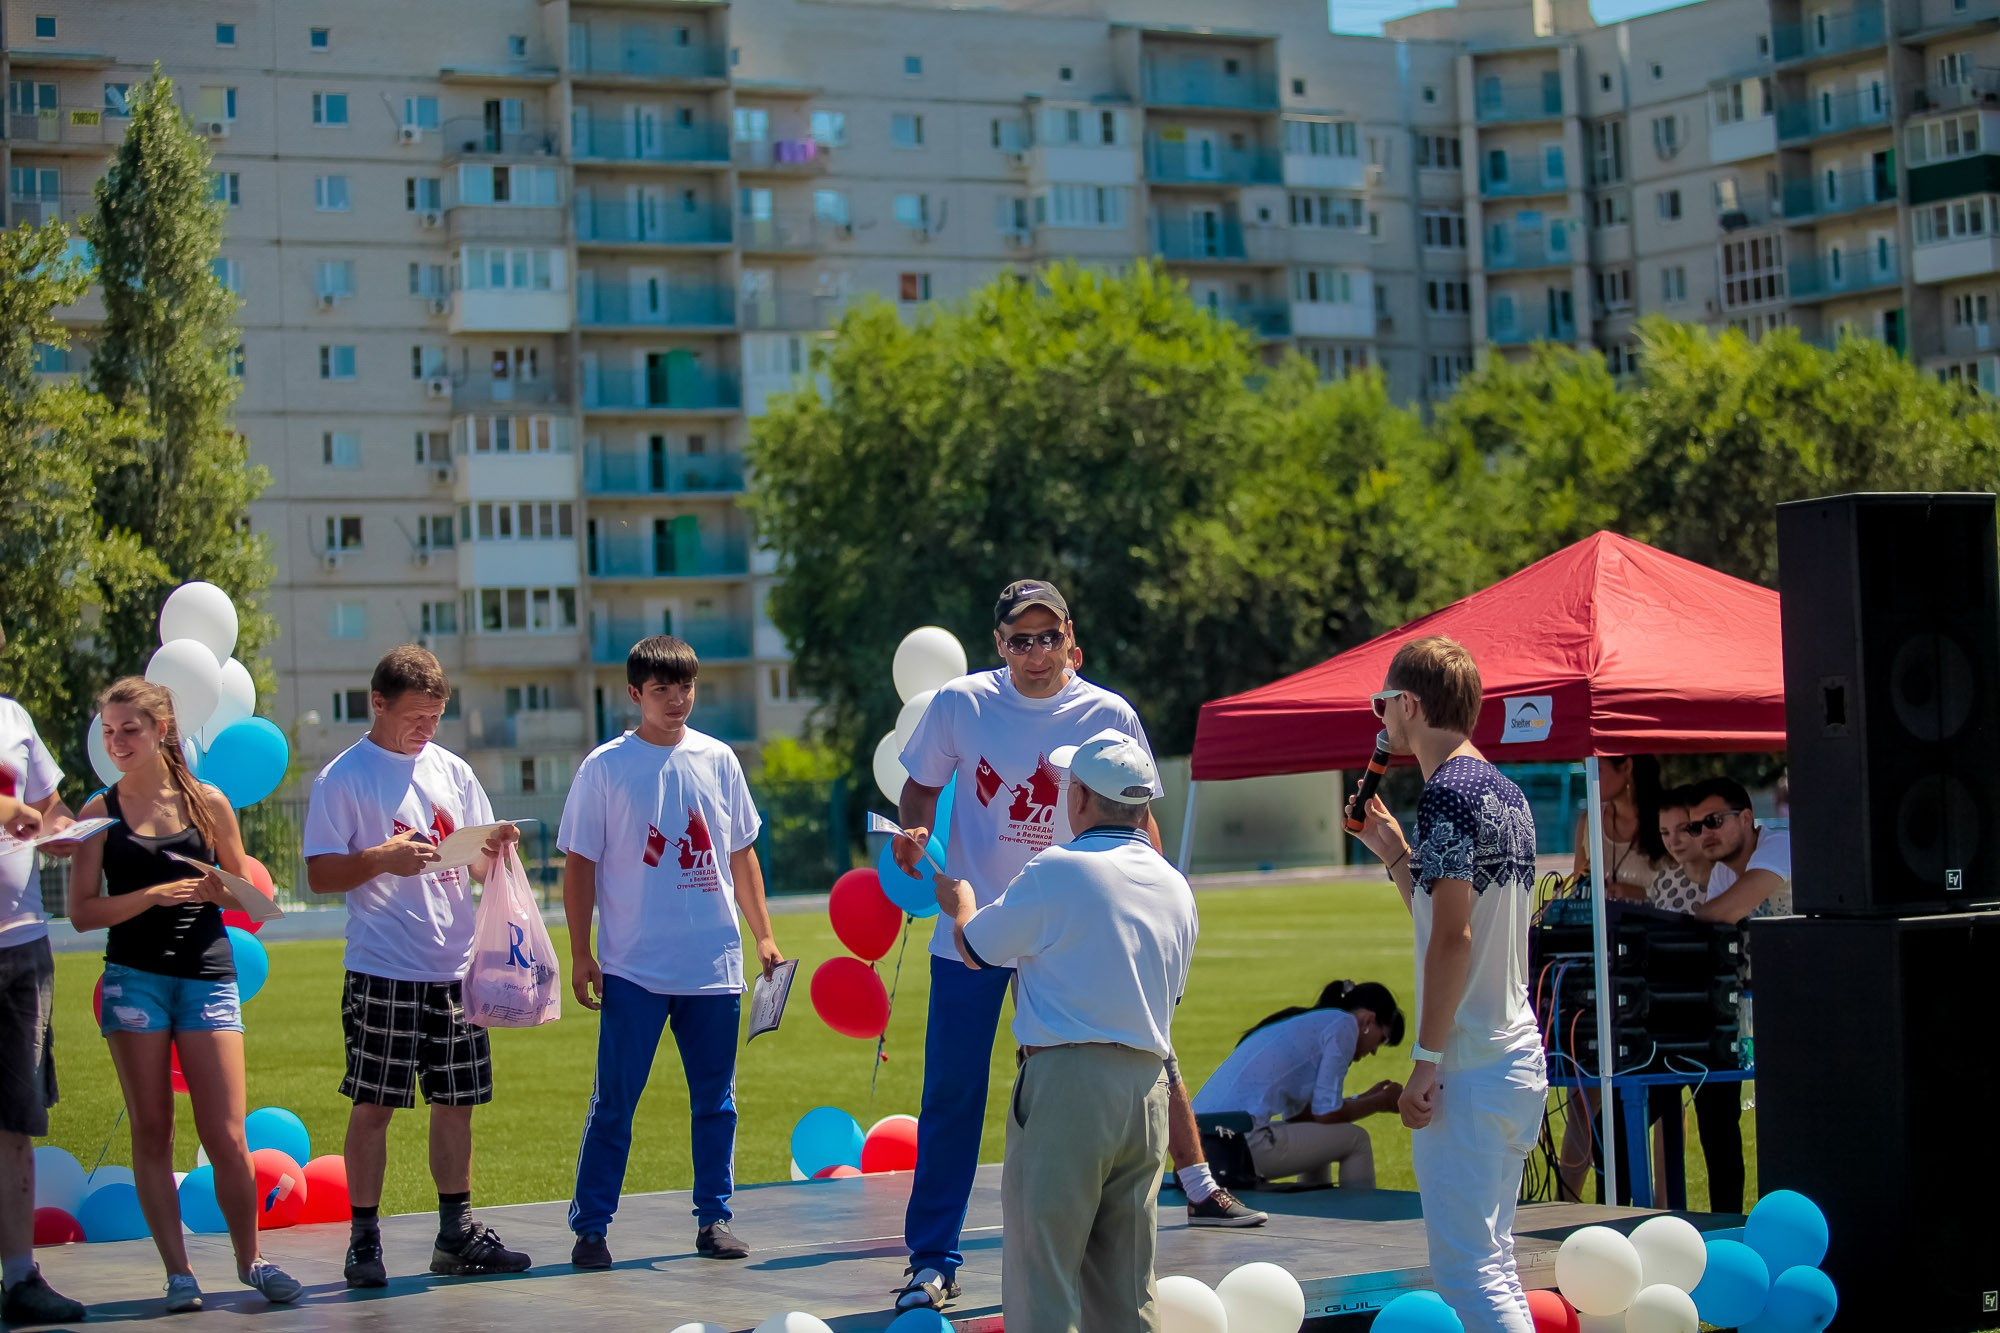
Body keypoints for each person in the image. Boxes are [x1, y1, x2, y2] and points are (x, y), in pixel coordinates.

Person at [889, 580, 1237, 1313]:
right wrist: (915, 832)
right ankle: (932, 1260)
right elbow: (919, 791)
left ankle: (1188, 1190)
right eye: (1022, 638)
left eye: (1050, 636)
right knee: (952, 1093)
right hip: (979, 928)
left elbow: (1143, 825)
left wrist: (1157, 915)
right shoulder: (960, 703)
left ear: (1071, 636)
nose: (1037, 651)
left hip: (1074, 930)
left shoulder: (1109, 712)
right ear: (999, 645)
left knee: (1124, 1061)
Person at [932, 728, 1197, 1333]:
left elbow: (976, 948)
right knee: (1129, 1286)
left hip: (1067, 1085)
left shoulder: (1055, 869)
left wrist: (963, 900)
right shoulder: (1176, 887)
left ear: (1079, 798)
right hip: (1147, 1087)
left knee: (1043, 1276)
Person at [65, 678, 304, 1311]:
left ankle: (251, 1261)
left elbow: (251, 894)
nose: (117, 743)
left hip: (207, 977)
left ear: (163, 729)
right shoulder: (98, 814)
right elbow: (83, 913)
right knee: (153, 1129)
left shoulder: (209, 803)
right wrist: (151, 895)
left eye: (130, 731)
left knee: (227, 1134)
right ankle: (179, 1274)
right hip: (133, 983)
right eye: (109, 731)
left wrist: (217, 891)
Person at [304, 645, 526, 1287]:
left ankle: (455, 1235)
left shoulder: (453, 771)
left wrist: (497, 849)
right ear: (378, 703)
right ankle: (364, 1241)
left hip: (457, 967)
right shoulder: (341, 777)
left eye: (436, 717)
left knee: (457, 1102)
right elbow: (319, 874)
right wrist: (378, 858)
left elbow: (481, 864)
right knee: (374, 1104)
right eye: (416, 717)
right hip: (382, 967)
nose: (427, 730)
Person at [561, 635, 784, 1268]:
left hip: (713, 966)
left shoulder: (718, 759)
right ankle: (592, 1227)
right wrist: (581, 952)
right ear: (635, 695)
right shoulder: (605, 767)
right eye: (662, 690)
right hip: (633, 968)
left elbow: (740, 853)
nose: (677, 700)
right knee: (615, 1104)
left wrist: (762, 933)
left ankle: (714, 1219)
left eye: (685, 687)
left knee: (717, 1103)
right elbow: (579, 864)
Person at [1349, 636, 1547, 1333]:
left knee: (1468, 1270)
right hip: (1513, 1051)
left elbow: (1455, 938)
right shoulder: (1504, 791)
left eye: (1382, 703)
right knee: (1492, 1261)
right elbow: (1451, 917)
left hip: (1470, 1059)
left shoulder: (1446, 796)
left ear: (1408, 704)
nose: (1380, 717)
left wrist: (1424, 1064)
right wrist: (1396, 853)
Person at [0, 658, 87, 1326]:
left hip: (22, 945)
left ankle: (20, 1276)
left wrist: (60, 829)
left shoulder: (14, 717)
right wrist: (16, 810)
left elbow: (48, 806)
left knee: (16, 1118)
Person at [1557, 754, 1666, 1199]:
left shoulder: (1665, 819)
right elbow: (1578, 881)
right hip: (1599, 964)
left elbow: (1680, 887)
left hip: (1653, 961)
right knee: (1584, 1092)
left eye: (1604, 767)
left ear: (1630, 770)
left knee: (1661, 1097)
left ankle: (1663, 1203)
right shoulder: (1590, 820)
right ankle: (1565, 1201)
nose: (1593, 776)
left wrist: (1633, 895)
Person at [1190, 980, 1405, 1189]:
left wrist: (1367, 1099)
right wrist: (1380, 1103)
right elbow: (1327, 1113)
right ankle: (1360, 1221)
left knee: (1317, 1132)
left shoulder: (1309, 1022)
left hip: (1201, 1143)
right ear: (1369, 1020)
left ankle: (1315, 1215)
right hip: (1236, 1146)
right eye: (1381, 1039)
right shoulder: (1345, 1025)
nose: (1375, 1051)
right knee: (1358, 1139)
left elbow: (1301, 1117)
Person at [1689, 777, 1792, 924]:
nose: (1704, 833)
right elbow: (1714, 928)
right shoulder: (1721, 871)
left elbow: (1718, 915)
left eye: (1714, 820)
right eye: (1695, 827)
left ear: (1746, 818)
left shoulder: (1780, 844)